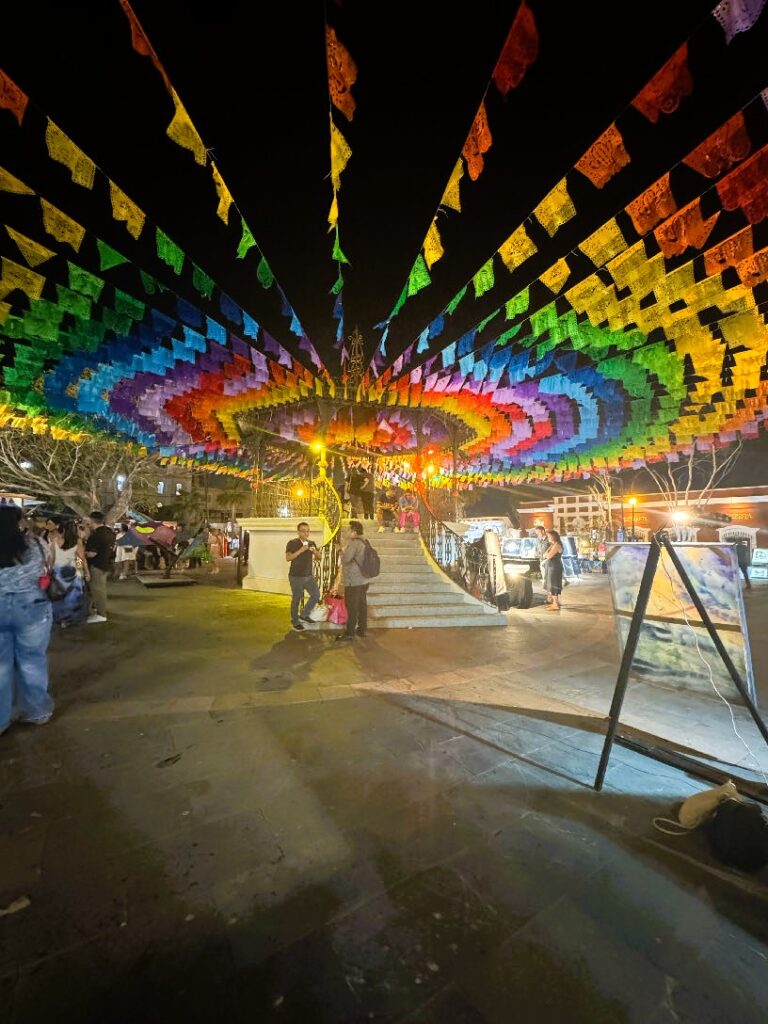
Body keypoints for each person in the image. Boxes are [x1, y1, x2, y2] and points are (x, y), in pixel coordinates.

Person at [0, 505, 54, 735]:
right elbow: (48, 568)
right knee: (32, 659)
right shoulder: (36, 545)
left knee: (1, 666)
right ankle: (37, 710)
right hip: (32, 607)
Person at [50, 518, 90, 626]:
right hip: (73, 572)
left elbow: (52, 558)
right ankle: (68, 619)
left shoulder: (55, 540)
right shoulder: (77, 542)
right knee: (72, 597)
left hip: (57, 571)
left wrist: (50, 570)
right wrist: (85, 572)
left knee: (59, 596)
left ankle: (58, 617)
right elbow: (80, 559)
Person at [335, 520, 369, 641]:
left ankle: (349, 633)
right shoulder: (364, 541)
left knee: (352, 607)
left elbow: (346, 560)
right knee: (362, 605)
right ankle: (362, 629)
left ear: (354, 532)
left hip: (354, 581)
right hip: (364, 580)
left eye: (349, 530)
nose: (346, 531)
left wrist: (339, 550)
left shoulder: (354, 543)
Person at [285, 522, 321, 631]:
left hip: (308, 576)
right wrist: (301, 550)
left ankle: (304, 615)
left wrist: (315, 552)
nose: (306, 533)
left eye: (308, 531)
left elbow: (319, 557)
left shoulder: (311, 543)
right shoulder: (292, 543)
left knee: (316, 595)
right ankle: (295, 620)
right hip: (296, 576)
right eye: (303, 530)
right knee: (297, 598)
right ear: (298, 532)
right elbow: (288, 558)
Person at [85, 510, 115, 623]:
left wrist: (81, 554)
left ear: (92, 520)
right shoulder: (110, 532)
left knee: (97, 589)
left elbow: (92, 553)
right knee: (100, 589)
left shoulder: (96, 535)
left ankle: (101, 614)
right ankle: (97, 610)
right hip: (105, 563)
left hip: (96, 564)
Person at [543, 528, 564, 610]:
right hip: (551, 566)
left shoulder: (556, 545)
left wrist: (547, 554)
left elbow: (548, 556)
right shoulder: (553, 545)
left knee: (553, 584)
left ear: (553, 537)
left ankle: (555, 604)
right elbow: (545, 554)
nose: (548, 538)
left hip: (554, 567)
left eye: (549, 537)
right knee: (551, 583)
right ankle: (555, 602)